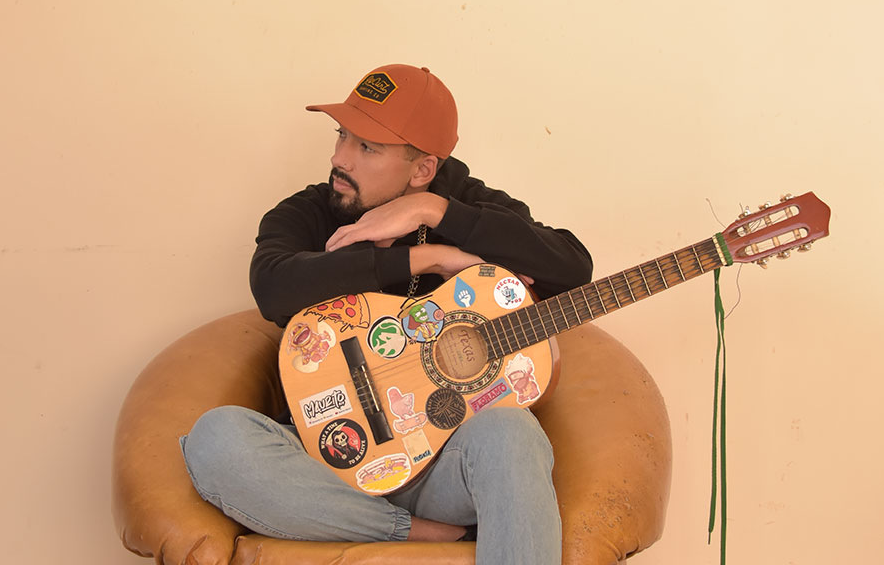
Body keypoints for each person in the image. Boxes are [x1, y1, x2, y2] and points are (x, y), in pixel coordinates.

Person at [180, 64, 593, 565]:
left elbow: (572, 268)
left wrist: (435, 213)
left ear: (422, 171)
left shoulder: (465, 203)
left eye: (367, 147)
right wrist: (427, 258)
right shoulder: (311, 211)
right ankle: (416, 533)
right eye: (342, 136)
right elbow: (273, 287)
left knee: (512, 433)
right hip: (326, 461)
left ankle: (401, 523)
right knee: (215, 440)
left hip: (441, 467)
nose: (339, 158)